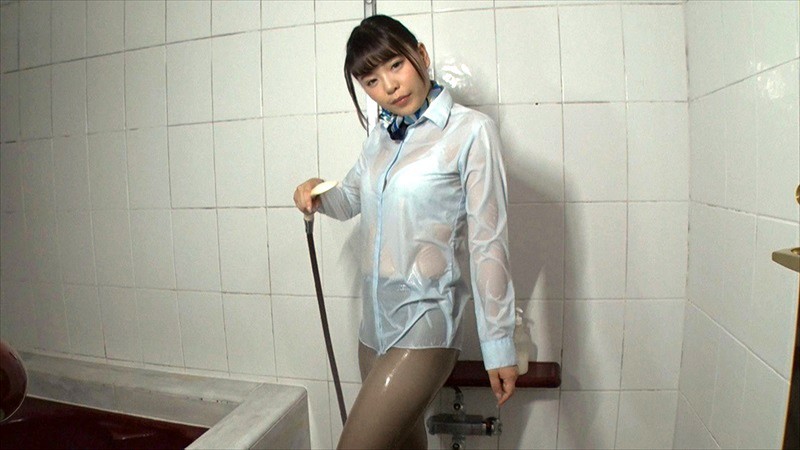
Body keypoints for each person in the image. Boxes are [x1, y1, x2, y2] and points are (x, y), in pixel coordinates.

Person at [293, 15, 518, 449]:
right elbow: (350, 199)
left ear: (421, 55)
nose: (390, 87)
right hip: (373, 330)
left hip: (425, 325)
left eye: (395, 65)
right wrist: (315, 191)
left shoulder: (471, 132)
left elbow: (489, 243)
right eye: (372, 81)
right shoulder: (381, 137)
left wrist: (499, 345)